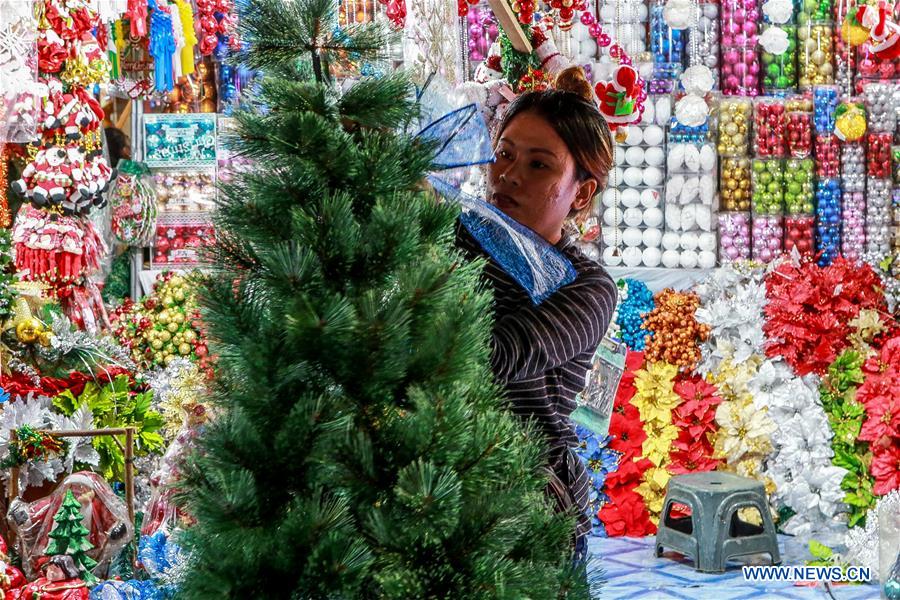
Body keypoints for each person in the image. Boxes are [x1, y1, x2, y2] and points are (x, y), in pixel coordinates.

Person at [455, 66, 618, 564]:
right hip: (434, 471)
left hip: (527, 495)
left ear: (582, 193)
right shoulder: (449, 233)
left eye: (539, 165)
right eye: (504, 154)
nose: (508, 174)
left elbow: (495, 358)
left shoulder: (585, 286)